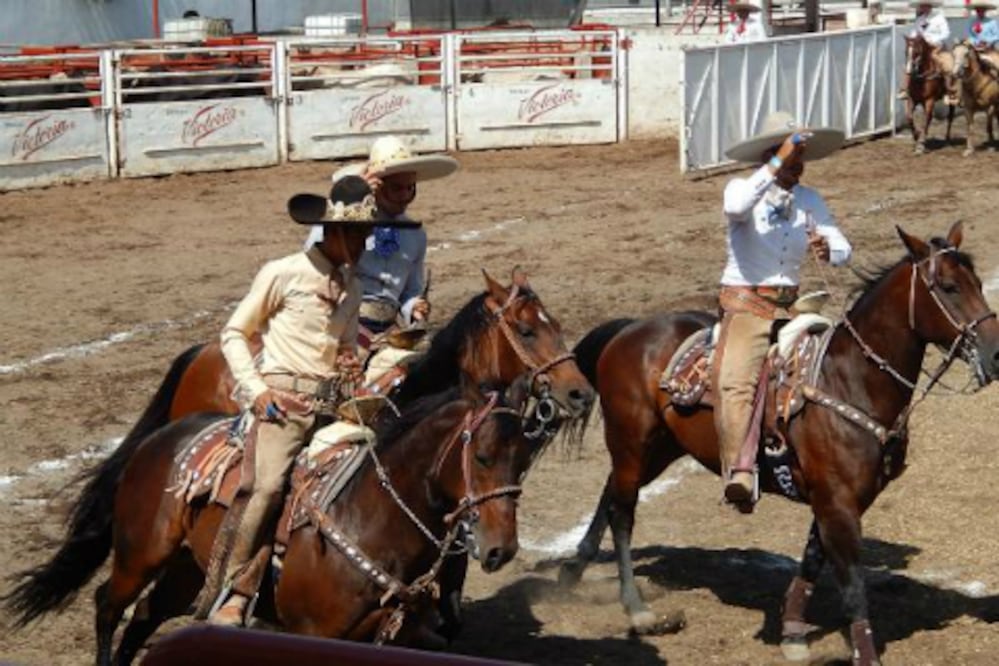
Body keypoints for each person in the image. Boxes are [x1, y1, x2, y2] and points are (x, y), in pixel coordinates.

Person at [209, 176, 421, 626]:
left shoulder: (354, 289)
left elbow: (344, 349)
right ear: (336, 233)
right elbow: (233, 333)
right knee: (267, 489)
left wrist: (351, 366)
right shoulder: (281, 273)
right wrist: (258, 390)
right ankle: (235, 591)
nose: (366, 244)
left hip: (332, 407)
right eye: (360, 235)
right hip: (283, 405)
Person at [716, 111, 852, 511]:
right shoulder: (740, 188)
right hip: (746, 303)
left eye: (800, 159)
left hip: (793, 305)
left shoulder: (810, 200)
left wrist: (832, 250)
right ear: (770, 155)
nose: (798, 166)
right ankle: (739, 470)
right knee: (736, 380)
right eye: (791, 157)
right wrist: (775, 166)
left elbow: (843, 246)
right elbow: (738, 206)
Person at [305, 136, 459, 346]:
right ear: (377, 186)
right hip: (343, 322)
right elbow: (314, 256)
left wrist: (414, 306)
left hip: (388, 330)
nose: (404, 196)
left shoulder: (415, 235)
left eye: (410, 188)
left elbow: (411, 290)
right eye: (396, 188)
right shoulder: (345, 225)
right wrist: (356, 199)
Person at [898, 0, 952, 100]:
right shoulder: (920, 20)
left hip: (936, 46)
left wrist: (933, 39)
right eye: (922, 6)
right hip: (922, 47)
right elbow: (915, 32)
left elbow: (946, 33)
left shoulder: (939, 18)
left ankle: (948, 90)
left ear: (930, 7)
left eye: (926, 6)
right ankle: (904, 89)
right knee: (910, 60)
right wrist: (912, 38)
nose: (924, 8)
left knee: (944, 63)